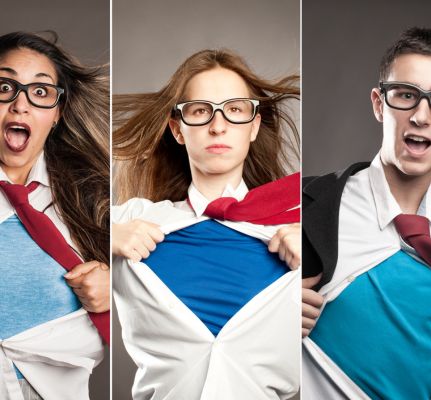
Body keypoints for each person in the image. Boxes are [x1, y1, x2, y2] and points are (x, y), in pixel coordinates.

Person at [301, 27, 431, 400]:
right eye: (405, 95)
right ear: (378, 103)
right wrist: (271, 312)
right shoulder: (303, 207)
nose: (421, 116)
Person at [111, 49, 301, 399]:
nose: (218, 125)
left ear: (254, 126)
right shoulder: (131, 219)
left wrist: (318, 255)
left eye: (234, 109)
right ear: (177, 129)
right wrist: (105, 236)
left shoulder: (299, 227)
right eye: (200, 111)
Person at [0, 31, 109, 400]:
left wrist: (118, 289)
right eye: (5, 87)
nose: (20, 105)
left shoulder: (95, 196)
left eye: (41, 92)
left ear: (58, 113)